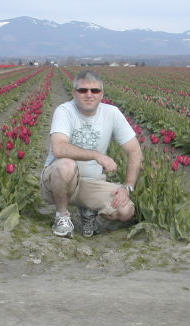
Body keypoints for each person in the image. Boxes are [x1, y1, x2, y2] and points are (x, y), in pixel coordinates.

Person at [40, 70, 143, 238]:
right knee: (67, 164)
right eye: (83, 90)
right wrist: (96, 155)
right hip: (56, 182)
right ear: (74, 93)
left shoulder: (112, 113)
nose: (89, 95)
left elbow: (135, 150)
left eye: (94, 90)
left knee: (126, 210)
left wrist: (128, 187)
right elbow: (59, 148)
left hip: (90, 183)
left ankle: (89, 212)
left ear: (102, 94)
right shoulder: (65, 111)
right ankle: (62, 216)